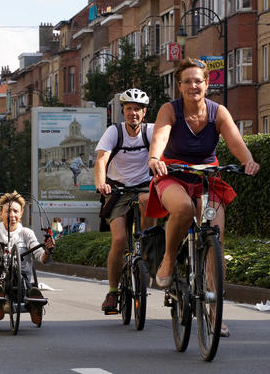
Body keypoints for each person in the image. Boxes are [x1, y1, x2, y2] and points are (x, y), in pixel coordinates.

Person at [148, 58, 259, 337]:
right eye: (187, 81)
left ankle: (214, 313)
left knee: (216, 240)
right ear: (179, 85)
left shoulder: (217, 112)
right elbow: (160, 138)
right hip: (172, 174)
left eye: (198, 81)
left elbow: (235, 140)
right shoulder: (169, 110)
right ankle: (169, 259)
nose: (193, 86)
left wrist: (248, 161)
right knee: (183, 208)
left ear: (207, 85)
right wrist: (154, 158)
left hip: (206, 178)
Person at [94, 87, 155, 314]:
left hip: (143, 188)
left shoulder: (151, 131)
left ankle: (146, 248)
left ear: (144, 112)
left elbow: (164, 154)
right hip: (117, 190)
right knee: (119, 240)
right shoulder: (114, 132)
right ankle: (112, 291)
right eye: (129, 109)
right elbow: (101, 160)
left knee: (148, 200)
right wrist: (102, 183)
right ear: (123, 111)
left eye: (137, 109)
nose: (133, 113)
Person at [0, 192, 55, 325]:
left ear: (21, 214)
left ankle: (33, 301)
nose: (12, 215)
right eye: (8, 211)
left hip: (20, 282)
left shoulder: (27, 233)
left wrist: (48, 250)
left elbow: (41, 257)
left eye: (16, 211)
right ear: (1, 213)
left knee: (28, 288)